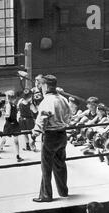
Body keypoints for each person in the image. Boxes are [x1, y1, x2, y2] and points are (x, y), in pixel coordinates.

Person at [31, 75, 71, 203]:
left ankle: (46, 195)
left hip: (50, 136)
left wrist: (35, 133)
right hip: (62, 134)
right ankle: (63, 191)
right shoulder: (63, 99)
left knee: (46, 167)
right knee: (60, 164)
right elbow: (69, 115)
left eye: (41, 86)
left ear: (46, 86)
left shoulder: (46, 101)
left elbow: (43, 118)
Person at [0, 90, 24, 162]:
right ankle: (17, 156)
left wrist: (3, 112)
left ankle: (17, 156)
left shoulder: (13, 104)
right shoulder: (9, 105)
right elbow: (8, 115)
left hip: (12, 123)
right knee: (11, 140)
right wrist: (3, 113)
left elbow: (9, 114)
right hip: (11, 123)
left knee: (4, 139)